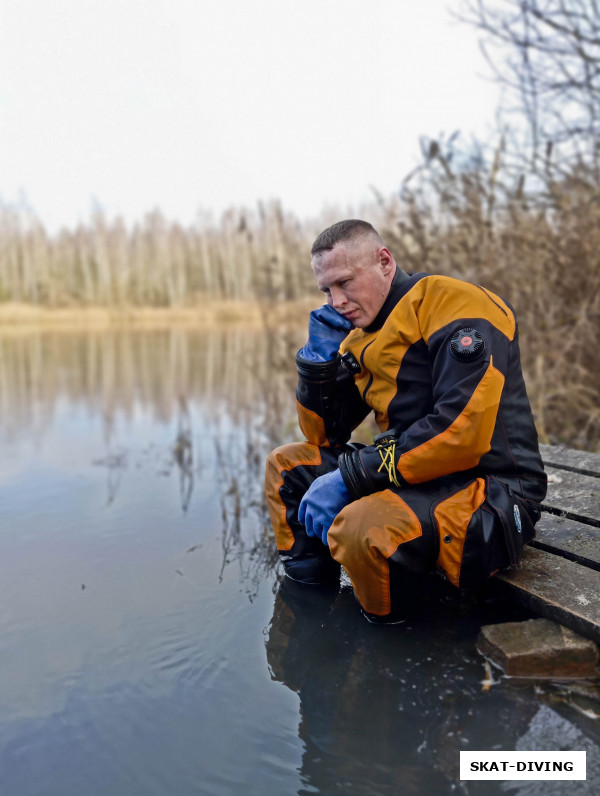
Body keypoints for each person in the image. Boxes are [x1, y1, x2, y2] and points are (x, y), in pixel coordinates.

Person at [264, 219, 547, 623]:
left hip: (491, 487)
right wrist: (316, 367)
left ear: (384, 261)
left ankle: (391, 636)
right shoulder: (357, 337)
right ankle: (311, 615)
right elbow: (323, 436)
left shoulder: (457, 305)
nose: (336, 301)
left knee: (364, 526)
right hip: (414, 477)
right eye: (326, 290)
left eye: (345, 282)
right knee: (286, 467)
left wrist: (350, 478)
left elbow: (460, 434)